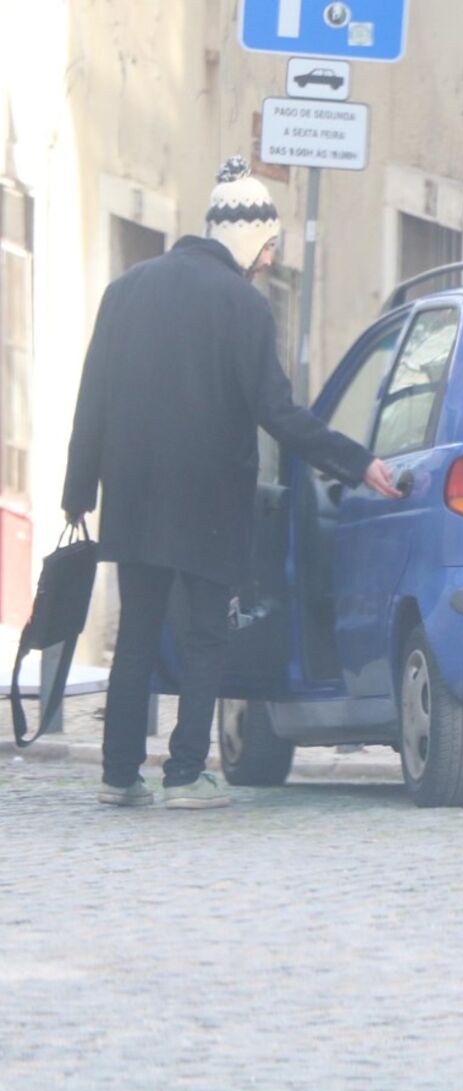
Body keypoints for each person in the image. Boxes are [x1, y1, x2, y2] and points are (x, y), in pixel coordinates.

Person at [62, 156, 400, 810]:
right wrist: (356, 461)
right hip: (208, 499)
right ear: (249, 239)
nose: (270, 262)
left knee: (137, 628)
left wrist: (78, 494)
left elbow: (92, 400)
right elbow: (278, 414)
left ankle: (117, 775)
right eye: (270, 246)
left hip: (132, 497)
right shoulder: (242, 306)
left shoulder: (124, 290)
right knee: (206, 635)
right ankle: (188, 774)